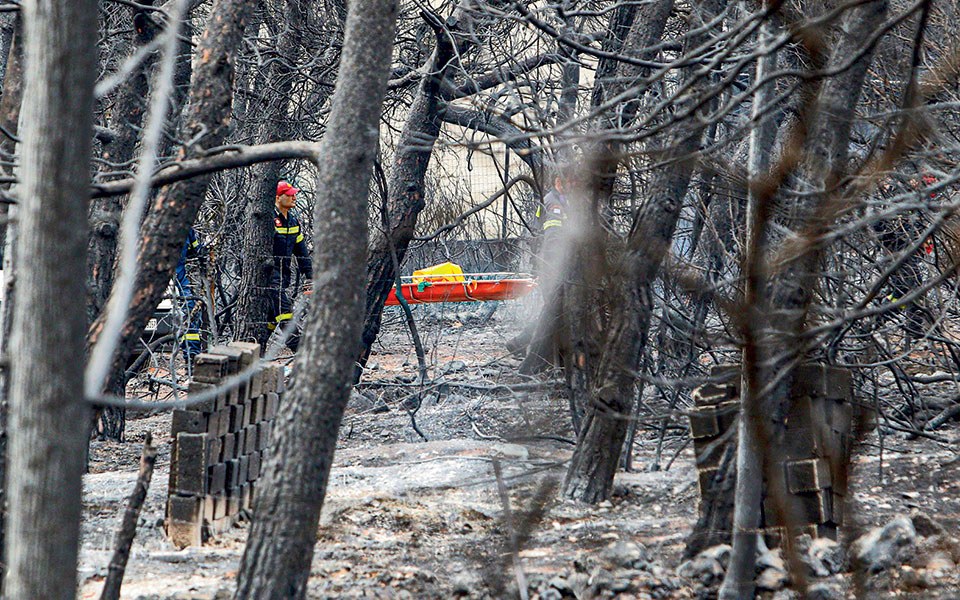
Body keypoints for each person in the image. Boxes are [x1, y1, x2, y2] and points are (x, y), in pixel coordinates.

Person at [270, 180, 312, 350]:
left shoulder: (293, 222)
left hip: (284, 277)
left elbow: (302, 252)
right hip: (270, 279)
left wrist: (310, 276)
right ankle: (301, 351)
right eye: (289, 195)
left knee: (268, 323)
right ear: (278, 198)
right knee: (285, 316)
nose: (294, 197)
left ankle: (255, 357)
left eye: (294, 194)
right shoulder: (268, 220)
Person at [175, 228, 204, 361]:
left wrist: (207, 246)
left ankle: (191, 354)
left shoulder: (187, 228)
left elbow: (196, 251)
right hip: (155, 282)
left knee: (191, 310)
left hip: (180, 280)